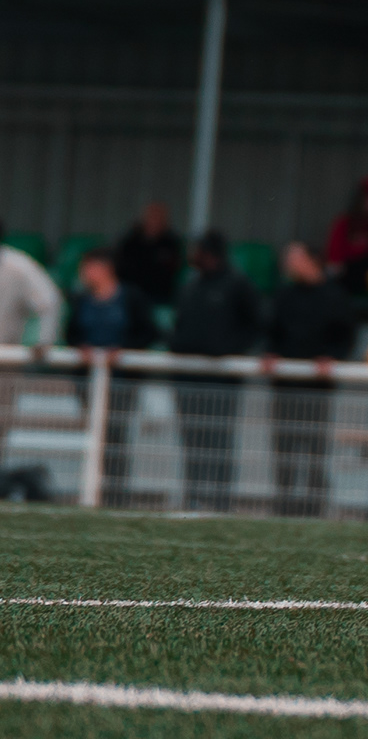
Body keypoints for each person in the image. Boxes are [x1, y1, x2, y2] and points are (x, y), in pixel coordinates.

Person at [262, 242, 357, 520]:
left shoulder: (334, 296)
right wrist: (270, 353)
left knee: (315, 449)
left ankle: (315, 508)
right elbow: (271, 331)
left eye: (293, 258)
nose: (288, 264)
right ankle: (283, 507)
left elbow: (346, 336)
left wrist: (332, 357)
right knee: (284, 449)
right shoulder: (284, 294)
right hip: (284, 387)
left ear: (311, 260)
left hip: (318, 389)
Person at [170, 231, 261, 513]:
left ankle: (221, 501)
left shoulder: (238, 284)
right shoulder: (191, 286)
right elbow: (179, 324)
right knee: (192, 441)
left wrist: (227, 350)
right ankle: (194, 496)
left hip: (222, 379)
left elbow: (254, 326)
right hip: (188, 377)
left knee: (219, 441)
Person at [67, 249, 156, 508]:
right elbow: (71, 333)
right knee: (95, 436)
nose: (84, 273)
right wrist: (81, 348)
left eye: (89, 267)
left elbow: (148, 331)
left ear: (105, 268)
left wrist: (123, 350)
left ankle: (116, 494)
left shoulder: (131, 297)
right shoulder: (81, 299)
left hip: (122, 380)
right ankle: (94, 491)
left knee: (116, 435)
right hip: (89, 379)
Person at [113, 202, 184, 314]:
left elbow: (174, 268)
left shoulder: (171, 242)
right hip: (132, 291)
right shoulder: (130, 240)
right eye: (151, 217)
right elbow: (121, 266)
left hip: (159, 294)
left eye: (158, 218)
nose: (154, 221)